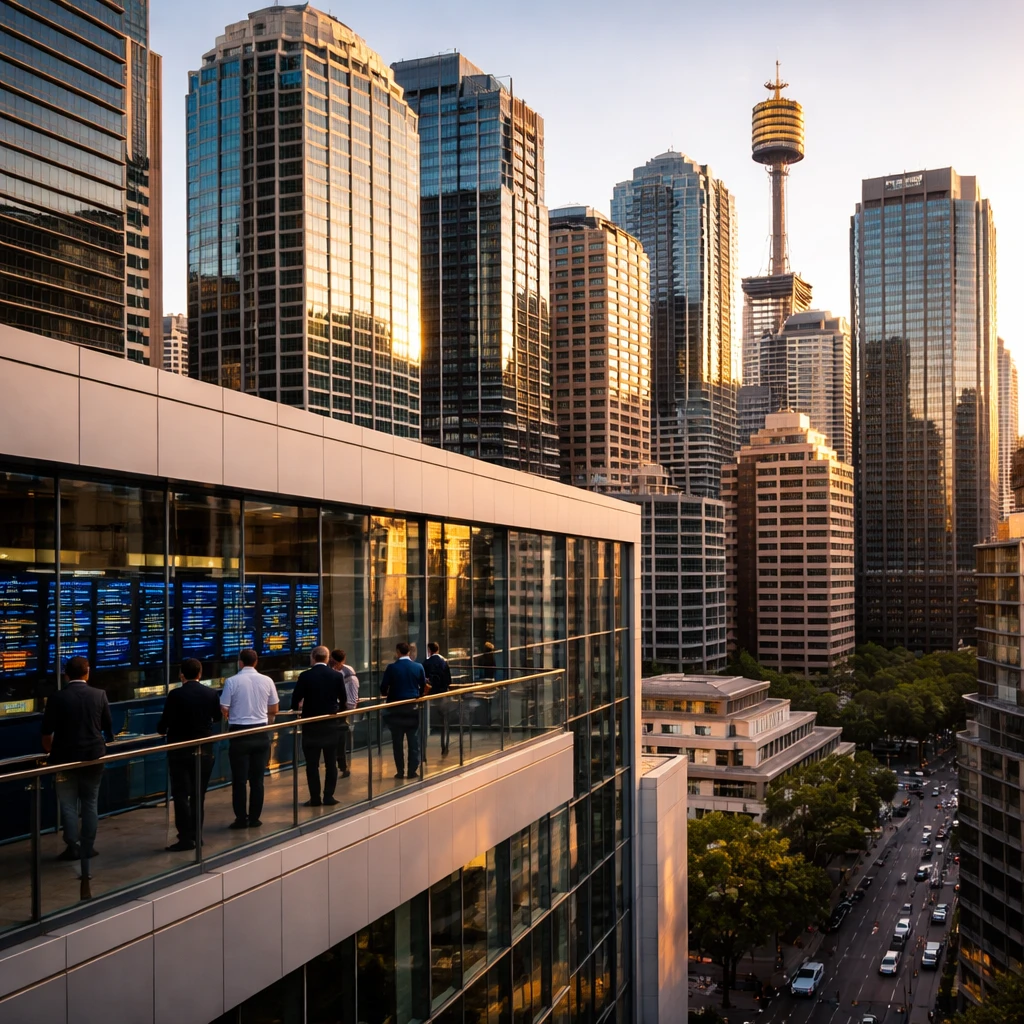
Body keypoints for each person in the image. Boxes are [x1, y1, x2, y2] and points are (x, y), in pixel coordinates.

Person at [40, 656, 112, 862]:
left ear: (66, 675)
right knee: (90, 802)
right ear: (87, 673)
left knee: (68, 804)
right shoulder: (99, 695)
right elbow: (108, 726)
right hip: (94, 757)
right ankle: (88, 846)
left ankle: (73, 846)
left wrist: (50, 751)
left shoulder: (57, 698)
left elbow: (46, 733)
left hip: (64, 759)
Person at [157, 658, 221, 851]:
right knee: (198, 795)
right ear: (200, 674)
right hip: (204, 751)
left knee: (181, 794)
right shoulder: (210, 693)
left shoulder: (175, 695)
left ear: (181, 674)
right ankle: (197, 835)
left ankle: (185, 838)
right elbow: (217, 718)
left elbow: (164, 723)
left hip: (179, 752)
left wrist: (162, 729)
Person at [220, 649, 279, 829]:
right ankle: (255, 818)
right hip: (261, 733)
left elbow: (224, 707)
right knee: (257, 780)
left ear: (240, 662)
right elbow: (274, 708)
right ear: (256, 662)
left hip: (239, 735)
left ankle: (241, 818)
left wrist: (232, 715)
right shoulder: (267, 680)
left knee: (239, 780)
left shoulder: (232, 681)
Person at [290, 646, 346, 806]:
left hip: (311, 725)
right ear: (328, 659)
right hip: (330, 725)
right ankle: (329, 796)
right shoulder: (336, 676)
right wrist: (338, 713)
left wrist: (297, 710)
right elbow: (343, 700)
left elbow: (295, 700)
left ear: (312, 658)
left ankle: (315, 797)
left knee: (312, 765)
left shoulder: (305, 676)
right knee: (331, 763)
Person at [379, 641, 427, 778]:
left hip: (395, 709)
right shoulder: (418, 667)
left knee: (397, 743)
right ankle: (412, 770)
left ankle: (400, 771)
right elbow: (423, 686)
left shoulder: (391, 668)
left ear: (398, 652)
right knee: (413, 741)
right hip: (412, 708)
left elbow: (383, 688)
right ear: (409, 652)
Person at [331, 648, 360, 775]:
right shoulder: (333, 672)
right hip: (332, 711)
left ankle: (342, 766)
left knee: (339, 742)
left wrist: (345, 709)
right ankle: (338, 765)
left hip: (340, 713)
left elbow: (352, 700)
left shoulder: (349, 676)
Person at [424, 642, 453, 755]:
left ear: (429, 650)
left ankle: (424, 753)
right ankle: (444, 746)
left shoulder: (426, 663)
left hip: (429, 696)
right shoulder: (444, 662)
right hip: (442, 695)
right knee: (444, 721)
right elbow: (448, 680)